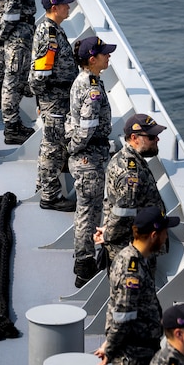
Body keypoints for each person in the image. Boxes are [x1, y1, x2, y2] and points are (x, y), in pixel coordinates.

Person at [95, 206, 180, 365]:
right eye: (165, 232)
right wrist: (110, 349)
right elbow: (123, 314)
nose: (166, 236)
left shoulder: (133, 256)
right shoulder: (132, 270)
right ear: (154, 235)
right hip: (134, 355)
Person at [66, 35, 116, 287]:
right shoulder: (92, 88)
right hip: (89, 159)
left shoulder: (84, 80)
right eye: (105, 54)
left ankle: (85, 260)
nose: (109, 56)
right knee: (88, 212)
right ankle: (84, 265)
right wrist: (75, 151)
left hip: (89, 155)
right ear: (92, 59)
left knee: (88, 210)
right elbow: (85, 129)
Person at [29, 0, 78, 211]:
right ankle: (49, 197)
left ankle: (44, 183)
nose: (69, 7)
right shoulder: (49, 36)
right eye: (65, 4)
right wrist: (45, 100)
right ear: (55, 8)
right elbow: (40, 75)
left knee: (52, 144)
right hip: (54, 100)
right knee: (53, 147)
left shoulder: (54, 30)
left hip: (57, 98)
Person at [98, 113, 168, 267]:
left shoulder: (126, 158)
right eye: (152, 136)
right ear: (135, 138)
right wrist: (108, 234)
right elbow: (124, 213)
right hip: (131, 252)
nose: (157, 139)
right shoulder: (131, 174)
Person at [0, 0, 41, 145]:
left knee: (17, 81)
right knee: (12, 83)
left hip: (23, 36)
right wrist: (1, 36)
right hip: (17, 39)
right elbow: (10, 14)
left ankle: (14, 123)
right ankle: (11, 128)